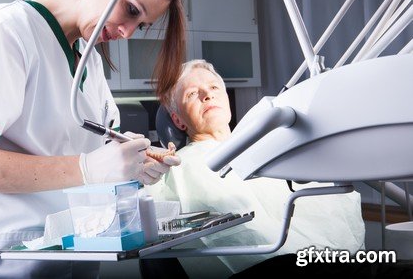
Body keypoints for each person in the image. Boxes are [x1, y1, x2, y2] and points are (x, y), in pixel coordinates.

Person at [0, 0, 185, 278]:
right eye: (131, 10)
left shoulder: (90, 60)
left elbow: (98, 155)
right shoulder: (7, 30)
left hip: (75, 262)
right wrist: (87, 168)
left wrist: (130, 163)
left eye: (141, 23)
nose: (127, 32)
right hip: (8, 265)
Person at [146, 59, 366, 276]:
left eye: (214, 87)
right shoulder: (181, 164)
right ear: (178, 121)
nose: (207, 95)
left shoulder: (266, 147)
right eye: (192, 94)